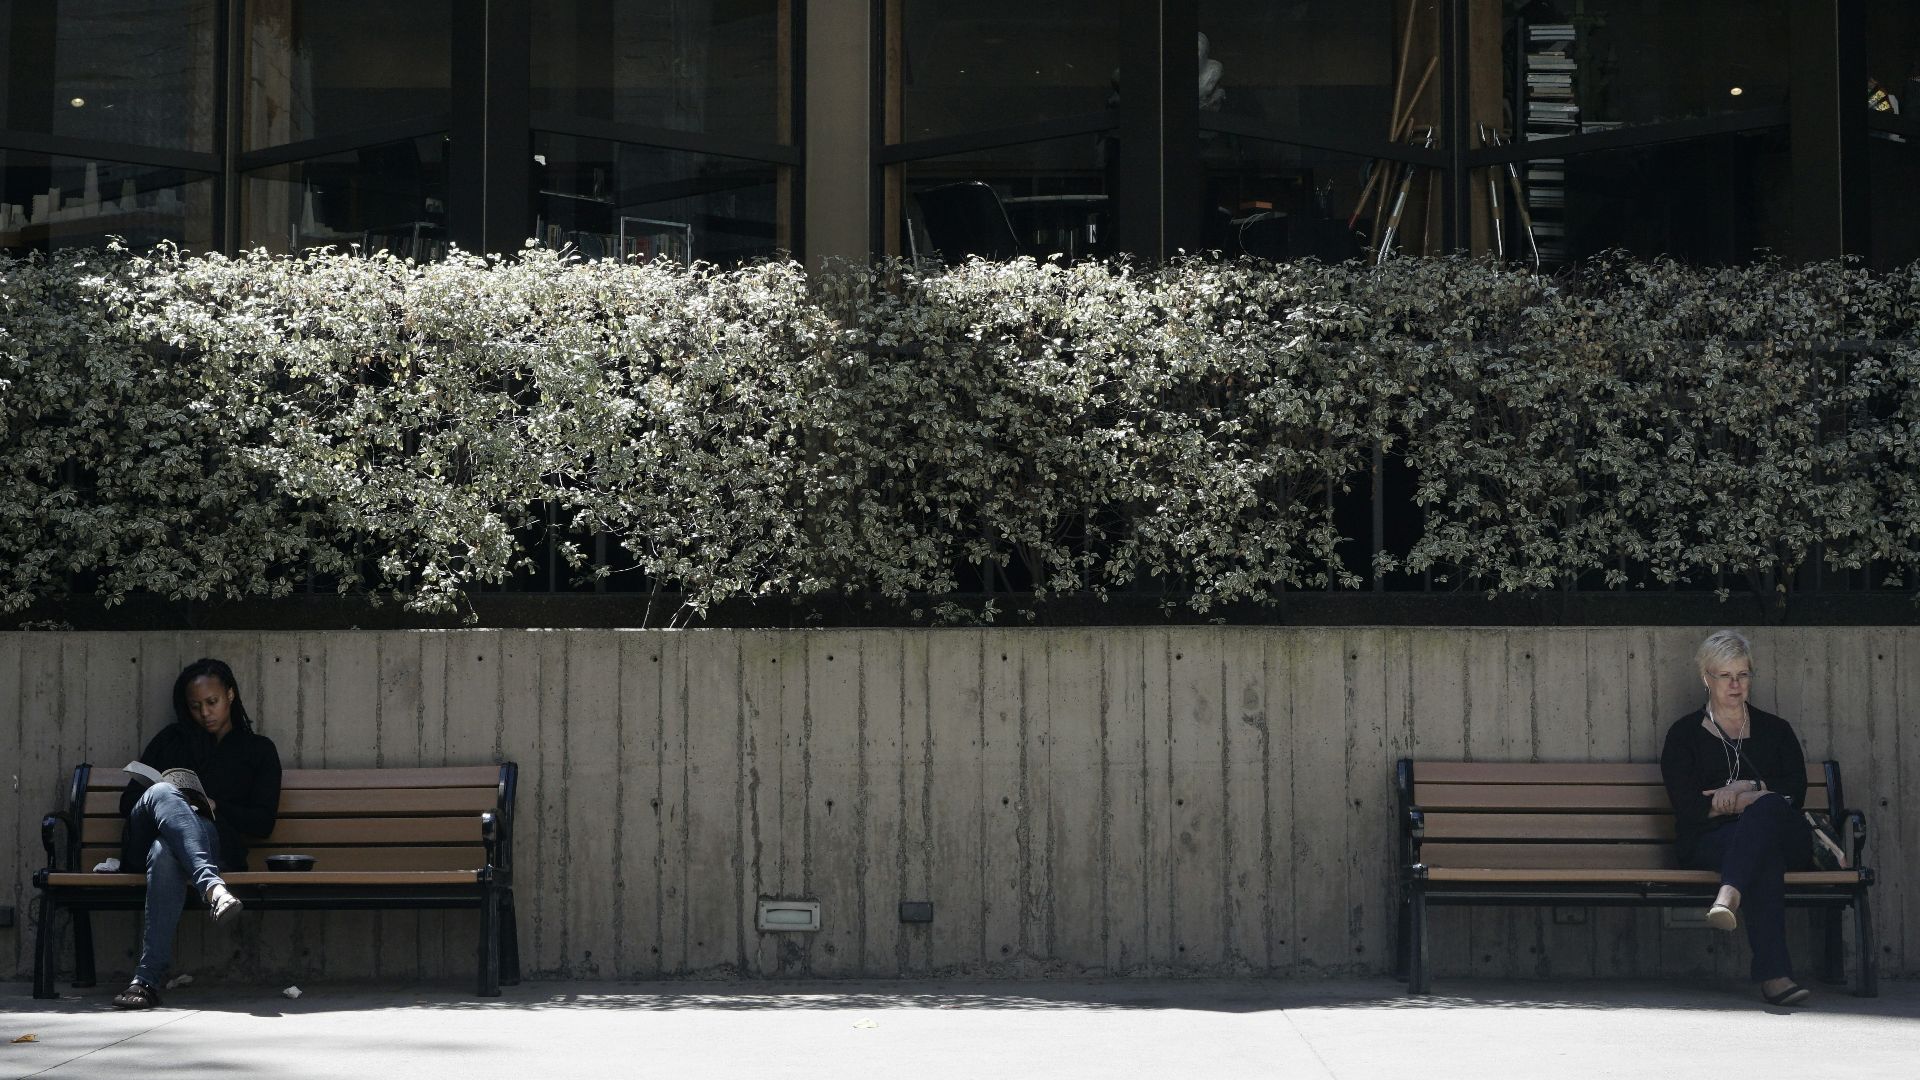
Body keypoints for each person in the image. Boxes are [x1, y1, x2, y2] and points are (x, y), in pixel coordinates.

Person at [110, 658, 282, 1009]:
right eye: (195, 706)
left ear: (230, 695)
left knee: (165, 852)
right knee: (160, 793)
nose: (204, 713)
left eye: (212, 702)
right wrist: (168, 797)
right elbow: (128, 803)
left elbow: (263, 823)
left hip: (211, 841)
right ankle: (212, 887)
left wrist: (216, 807)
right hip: (142, 840)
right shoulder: (171, 741)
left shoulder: (258, 750)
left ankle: (145, 981)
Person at [1659, 629, 1814, 1007]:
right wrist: (1739, 803)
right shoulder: (1684, 735)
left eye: (1743, 675)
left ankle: (1729, 893)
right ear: (1706, 678)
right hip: (1712, 839)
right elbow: (1688, 807)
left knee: (1769, 808)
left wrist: (1745, 791)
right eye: (1725, 675)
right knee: (1762, 854)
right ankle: (1775, 977)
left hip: (1784, 834)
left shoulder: (1775, 731)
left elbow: (1794, 794)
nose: (1735, 684)